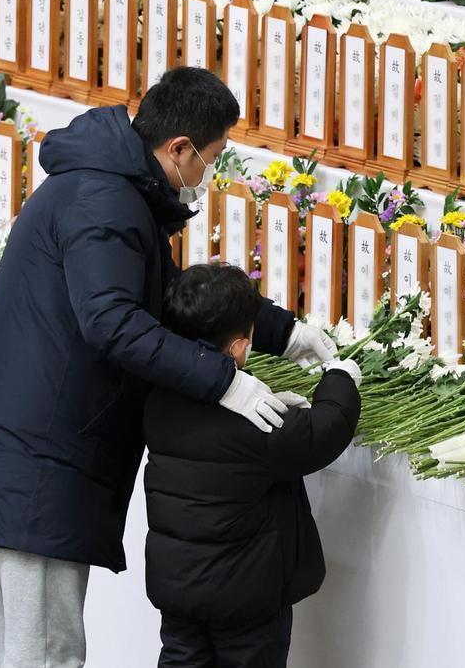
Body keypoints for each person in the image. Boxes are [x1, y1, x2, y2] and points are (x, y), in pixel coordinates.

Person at [0, 67, 337, 668]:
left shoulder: (115, 188)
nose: (208, 174)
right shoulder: (105, 201)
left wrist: (281, 333)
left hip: (42, 450)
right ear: (178, 149)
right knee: (46, 653)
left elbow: (169, 293)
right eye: (211, 158)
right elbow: (114, 323)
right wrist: (225, 381)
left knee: (41, 647)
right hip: (39, 462)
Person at [143, 263, 362, 668]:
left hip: (179, 590)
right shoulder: (254, 423)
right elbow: (325, 431)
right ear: (240, 347)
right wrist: (340, 379)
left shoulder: (159, 393)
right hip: (245, 596)